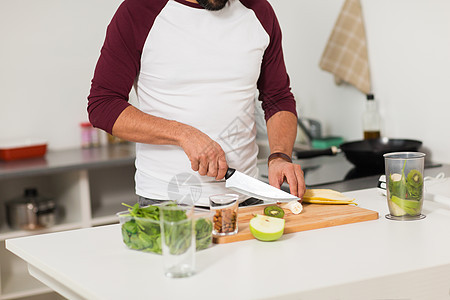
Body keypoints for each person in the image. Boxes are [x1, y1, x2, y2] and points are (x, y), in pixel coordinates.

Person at [87, 0, 305, 207]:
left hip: (245, 197)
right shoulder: (138, 11)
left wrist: (280, 156)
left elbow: (277, 97)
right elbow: (103, 105)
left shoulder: (259, 10)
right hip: (167, 200)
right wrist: (183, 134)